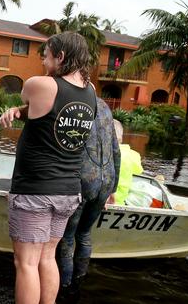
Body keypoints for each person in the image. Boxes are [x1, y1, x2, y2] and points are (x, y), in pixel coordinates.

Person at [0, 32, 97, 304]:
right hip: (67, 191)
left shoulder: (39, 83)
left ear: (61, 56)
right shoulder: (91, 91)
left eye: (46, 54)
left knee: (26, 263)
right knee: (47, 256)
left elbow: (34, 96)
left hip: (35, 189)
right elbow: (44, 109)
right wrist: (19, 111)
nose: (43, 60)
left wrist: (20, 105)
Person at [56, 97, 121, 292]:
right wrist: (113, 189)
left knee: (67, 237)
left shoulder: (73, 103)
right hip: (106, 180)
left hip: (83, 181)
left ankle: (65, 285)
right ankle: (79, 281)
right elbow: (116, 151)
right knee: (84, 234)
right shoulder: (105, 106)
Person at [113, 120, 144, 205]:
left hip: (101, 201)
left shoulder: (102, 152)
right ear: (121, 137)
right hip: (119, 201)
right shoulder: (133, 154)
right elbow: (139, 171)